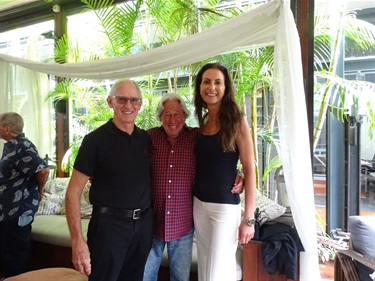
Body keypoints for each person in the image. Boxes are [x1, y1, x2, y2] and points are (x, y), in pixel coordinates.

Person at [143, 93, 244, 281]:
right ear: (160, 118)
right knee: (145, 276)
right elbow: (130, 161)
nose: (172, 120)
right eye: (167, 114)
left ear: (185, 116)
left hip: (183, 225)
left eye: (177, 114)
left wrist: (239, 175)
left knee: (181, 278)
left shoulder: (196, 138)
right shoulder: (150, 137)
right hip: (152, 223)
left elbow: (218, 160)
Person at [65, 79, 154, 281]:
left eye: (134, 100)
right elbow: (73, 192)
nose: (128, 106)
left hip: (143, 226)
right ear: (110, 102)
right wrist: (77, 242)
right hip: (108, 228)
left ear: (140, 104)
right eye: (121, 99)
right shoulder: (94, 141)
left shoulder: (146, 139)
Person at [193, 62, 257, 281]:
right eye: (206, 81)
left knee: (215, 274)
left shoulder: (237, 121)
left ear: (226, 88)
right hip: (198, 205)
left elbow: (250, 169)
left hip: (224, 208)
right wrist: (234, 171)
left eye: (218, 82)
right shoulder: (202, 123)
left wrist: (249, 220)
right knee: (205, 270)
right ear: (199, 87)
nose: (211, 87)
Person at [0, 112, 50, 278]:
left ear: (7, 129)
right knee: (7, 254)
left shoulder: (22, 146)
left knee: (17, 257)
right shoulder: (11, 145)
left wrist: (40, 189)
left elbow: (42, 170)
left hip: (18, 211)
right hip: (7, 212)